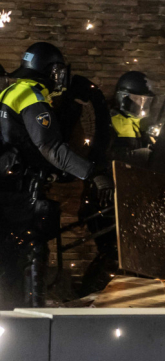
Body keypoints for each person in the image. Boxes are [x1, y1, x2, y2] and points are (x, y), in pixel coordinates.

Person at [0, 43, 112, 307]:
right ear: (46, 70)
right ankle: (32, 318)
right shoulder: (31, 96)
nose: (60, 77)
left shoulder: (10, 92)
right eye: (57, 71)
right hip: (20, 196)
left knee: (10, 262)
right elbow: (50, 147)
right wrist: (92, 173)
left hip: (8, 191)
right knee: (32, 250)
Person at [107, 71, 156, 166]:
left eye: (145, 99)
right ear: (123, 97)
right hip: (116, 173)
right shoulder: (108, 119)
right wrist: (135, 156)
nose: (141, 103)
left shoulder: (146, 122)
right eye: (136, 98)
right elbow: (104, 154)